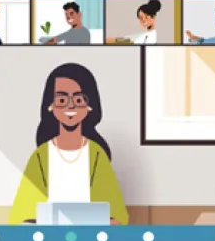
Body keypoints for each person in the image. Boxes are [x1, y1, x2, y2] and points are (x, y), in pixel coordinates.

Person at [8, 63, 129, 225]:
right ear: (50, 106)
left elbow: (115, 216)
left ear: (90, 106)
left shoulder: (96, 155)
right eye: (62, 100)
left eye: (78, 99)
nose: (70, 106)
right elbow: (22, 217)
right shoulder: (41, 157)